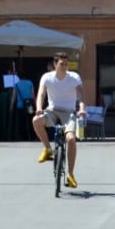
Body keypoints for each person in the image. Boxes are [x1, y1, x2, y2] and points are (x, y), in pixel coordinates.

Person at [33, 51, 85, 189]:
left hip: (69, 113)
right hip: (52, 111)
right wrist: (39, 108)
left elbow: (81, 96)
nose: (65, 67)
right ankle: (48, 149)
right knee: (36, 120)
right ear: (55, 64)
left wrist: (81, 109)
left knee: (71, 140)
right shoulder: (47, 77)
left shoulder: (74, 77)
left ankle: (70, 174)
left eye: (66, 64)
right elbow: (41, 94)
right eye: (62, 64)